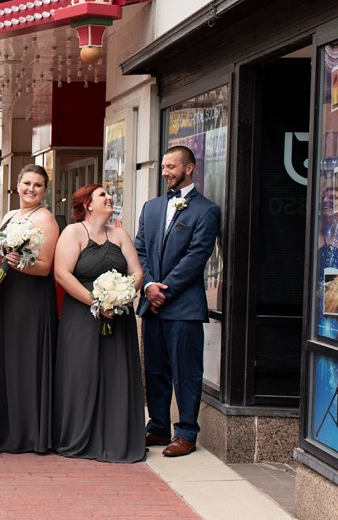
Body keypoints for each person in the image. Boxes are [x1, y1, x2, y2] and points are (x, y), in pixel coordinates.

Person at [135, 146, 221, 458]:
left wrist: (164, 291)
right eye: (163, 167)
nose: (166, 172)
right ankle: (158, 426)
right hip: (151, 304)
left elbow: (197, 256)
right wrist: (147, 286)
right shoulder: (152, 207)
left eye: (172, 166)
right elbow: (139, 249)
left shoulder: (207, 210)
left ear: (189, 168)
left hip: (183, 306)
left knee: (186, 371)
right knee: (155, 370)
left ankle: (186, 432)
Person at [53, 184, 145, 463]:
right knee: (81, 374)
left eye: (109, 194)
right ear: (88, 204)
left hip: (118, 316)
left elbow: (136, 271)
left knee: (117, 373)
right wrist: (97, 301)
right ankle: (80, 436)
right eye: (102, 195)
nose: (109, 198)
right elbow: (62, 273)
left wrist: (122, 295)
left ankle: (117, 437)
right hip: (81, 316)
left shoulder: (120, 235)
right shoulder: (74, 232)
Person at [0, 163, 59, 453]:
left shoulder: (46, 219)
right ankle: (6, 427)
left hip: (30, 298)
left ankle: (28, 432)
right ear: (17, 185)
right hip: (5, 291)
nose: (31, 189)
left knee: (25, 360)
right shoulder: (8, 215)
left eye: (38, 185)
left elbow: (45, 268)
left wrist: (22, 264)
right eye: (27, 183)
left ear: (45, 190)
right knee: (4, 359)